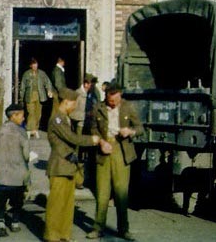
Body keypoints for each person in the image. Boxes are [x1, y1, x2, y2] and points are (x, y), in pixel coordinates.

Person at [43, 88, 107, 242]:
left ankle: (64, 235)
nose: (75, 107)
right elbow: (72, 138)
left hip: (68, 166)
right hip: (59, 167)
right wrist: (93, 140)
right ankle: (52, 236)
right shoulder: (57, 119)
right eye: (74, 104)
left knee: (67, 204)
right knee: (56, 204)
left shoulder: (65, 118)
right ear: (66, 102)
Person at [86, 83, 144, 241]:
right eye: (111, 101)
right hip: (104, 151)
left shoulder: (128, 107)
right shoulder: (98, 107)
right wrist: (100, 143)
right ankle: (98, 228)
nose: (114, 103)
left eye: (116, 100)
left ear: (120, 95)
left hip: (122, 151)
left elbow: (140, 128)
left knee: (121, 193)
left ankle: (123, 229)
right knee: (102, 193)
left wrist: (130, 131)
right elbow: (92, 129)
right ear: (107, 96)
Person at [0, 103, 30, 237]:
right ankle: (15, 222)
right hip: (17, 175)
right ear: (13, 116)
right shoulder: (21, 132)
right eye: (21, 115)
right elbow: (26, 154)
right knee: (17, 200)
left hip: (1, 173)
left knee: (0, 201)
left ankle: (0, 222)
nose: (23, 118)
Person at [19, 58, 53, 139]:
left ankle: (35, 129)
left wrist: (49, 90)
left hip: (40, 95)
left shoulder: (42, 73)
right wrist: (21, 98)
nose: (35, 66)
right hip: (29, 95)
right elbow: (22, 87)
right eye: (33, 64)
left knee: (38, 113)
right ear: (30, 65)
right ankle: (29, 129)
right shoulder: (26, 74)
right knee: (31, 113)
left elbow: (48, 82)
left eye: (36, 64)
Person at [70, 76, 92, 189]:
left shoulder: (91, 93)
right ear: (86, 84)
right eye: (90, 83)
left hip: (88, 125)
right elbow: (73, 109)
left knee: (85, 151)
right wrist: (82, 116)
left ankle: (82, 177)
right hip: (80, 123)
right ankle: (77, 178)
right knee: (77, 150)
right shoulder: (78, 93)